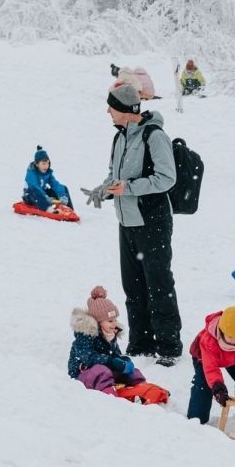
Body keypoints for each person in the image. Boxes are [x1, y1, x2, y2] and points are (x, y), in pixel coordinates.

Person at [91, 82, 183, 365]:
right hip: (127, 221)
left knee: (158, 283)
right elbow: (113, 175)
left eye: (111, 106)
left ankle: (168, 346)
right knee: (133, 285)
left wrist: (128, 188)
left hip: (152, 220)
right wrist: (103, 189)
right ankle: (141, 342)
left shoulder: (154, 136)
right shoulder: (119, 138)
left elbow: (167, 178)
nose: (108, 111)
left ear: (125, 109)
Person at [68, 286, 148, 396]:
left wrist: (122, 361)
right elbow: (88, 358)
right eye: (110, 321)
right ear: (98, 321)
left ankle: (142, 390)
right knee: (101, 372)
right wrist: (111, 361)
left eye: (115, 319)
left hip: (105, 371)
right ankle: (109, 397)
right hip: (83, 374)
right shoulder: (85, 335)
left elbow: (114, 355)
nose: (114, 323)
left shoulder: (110, 334)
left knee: (132, 372)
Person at [23, 146, 74, 212]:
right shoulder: (31, 173)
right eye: (43, 164)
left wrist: (63, 196)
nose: (46, 166)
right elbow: (35, 186)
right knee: (33, 190)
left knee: (64, 188)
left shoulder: (47, 173)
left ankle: (68, 209)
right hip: (30, 197)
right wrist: (46, 197)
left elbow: (55, 184)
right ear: (37, 164)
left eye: (47, 163)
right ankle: (49, 209)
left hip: (43, 195)